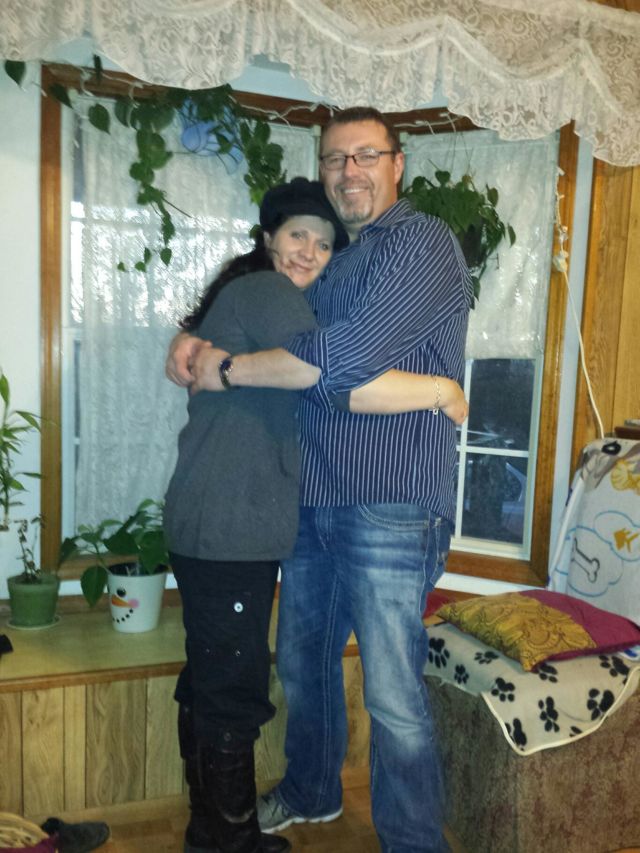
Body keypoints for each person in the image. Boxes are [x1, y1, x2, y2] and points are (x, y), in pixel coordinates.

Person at [164, 175, 468, 853]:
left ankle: (223, 829)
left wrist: (205, 350)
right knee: (232, 685)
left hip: (231, 518)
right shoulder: (273, 294)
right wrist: (440, 389)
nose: (309, 251)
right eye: (297, 234)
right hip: (234, 521)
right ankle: (227, 839)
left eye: (324, 243)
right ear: (268, 238)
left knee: (223, 678)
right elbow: (330, 378)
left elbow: (308, 367)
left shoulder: (273, 292)